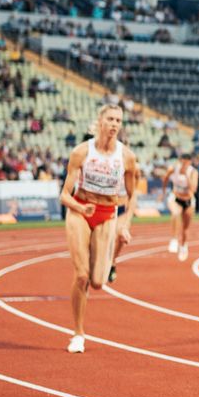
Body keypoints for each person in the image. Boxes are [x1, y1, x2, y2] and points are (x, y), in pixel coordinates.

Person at [59, 104, 139, 354]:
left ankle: (112, 261)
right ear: (100, 121)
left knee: (97, 282)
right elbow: (64, 195)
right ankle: (78, 334)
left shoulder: (127, 157)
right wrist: (80, 208)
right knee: (81, 275)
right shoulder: (82, 152)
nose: (114, 124)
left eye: (118, 120)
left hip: (107, 214)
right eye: (110, 119)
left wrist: (125, 223)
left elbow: (133, 195)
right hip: (80, 211)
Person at [164, 154, 199, 259]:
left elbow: (193, 189)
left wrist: (187, 176)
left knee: (185, 228)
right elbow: (165, 178)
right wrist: (163, 191)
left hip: (188, 201)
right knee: (175, 213)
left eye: (187, 163)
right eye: (183, 162)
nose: (184, 165)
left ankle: (183, 246)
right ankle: (174, 239)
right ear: (180, 161)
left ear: (190, 162)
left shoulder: (193, 172)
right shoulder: (173, 169)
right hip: (176, 198)